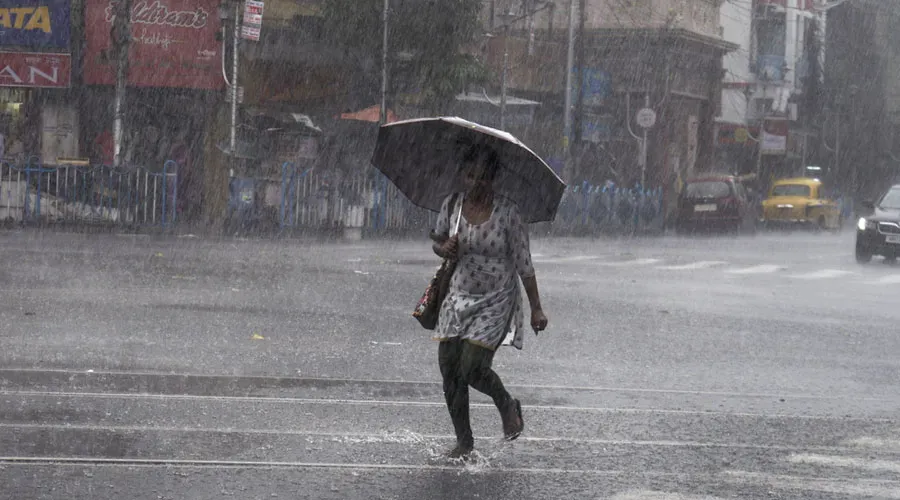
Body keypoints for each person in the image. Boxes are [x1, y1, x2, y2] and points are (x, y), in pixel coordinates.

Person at [430, 146, 549, 459]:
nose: (476, 183)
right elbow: (437, 240)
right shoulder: (453, 205)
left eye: (483, 177)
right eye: (471, 175)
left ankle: (507, 404)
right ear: (463, 175)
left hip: (496, 299)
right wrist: (445, 248)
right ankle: (464, 442)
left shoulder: (508, 213)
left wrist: (536, 307)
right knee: (449, 367)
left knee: (472, 366)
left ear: (495, 178)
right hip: (458, 293)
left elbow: (524, 262)